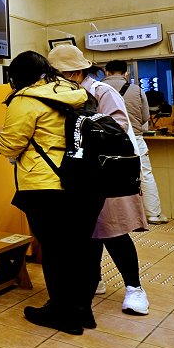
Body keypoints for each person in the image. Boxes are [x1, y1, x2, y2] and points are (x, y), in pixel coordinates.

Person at [0, 50, 101, 334]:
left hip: (47, 185)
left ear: (16, 78)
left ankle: (62, 312)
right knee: (81, 249)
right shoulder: (73, 91)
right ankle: (82, 311)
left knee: (56, 251)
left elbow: (11, 144)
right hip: (84, 183)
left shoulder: (25, 100)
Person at [48, 46, 150, 316]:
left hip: (106, 175)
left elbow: (118, 127)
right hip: (80, 178)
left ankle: (135, 289)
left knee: (114, 231)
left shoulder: (103, 92)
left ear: (76, 72)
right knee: (89, 233)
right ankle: (95, 281)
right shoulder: (63, 95)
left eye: (59, 74)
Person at [103, 61, 168, 225]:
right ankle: (153, 214)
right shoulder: (137, 90)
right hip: (135, 139)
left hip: (106, 140)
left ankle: (113, 218)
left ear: (107, 72)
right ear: (126, 73)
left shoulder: (96, 89)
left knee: (108, 177)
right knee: (145, 175)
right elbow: (145, 117)